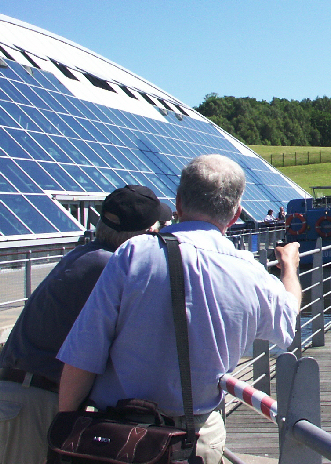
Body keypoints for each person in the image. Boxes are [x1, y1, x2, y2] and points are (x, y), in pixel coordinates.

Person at [57, 154, 301, 464]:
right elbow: (288, 319)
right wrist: (289, 268)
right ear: (236, 214)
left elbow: (83, 355)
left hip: (120, 438)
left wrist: (65, 430)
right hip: (194, 441)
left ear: (179, 203)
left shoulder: (134, 253)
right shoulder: (250, 273)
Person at [0, 185, 171, 464]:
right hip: (35, 400)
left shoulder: (87, 255)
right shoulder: (110, 266)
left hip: (25, 394)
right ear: (148, 234)